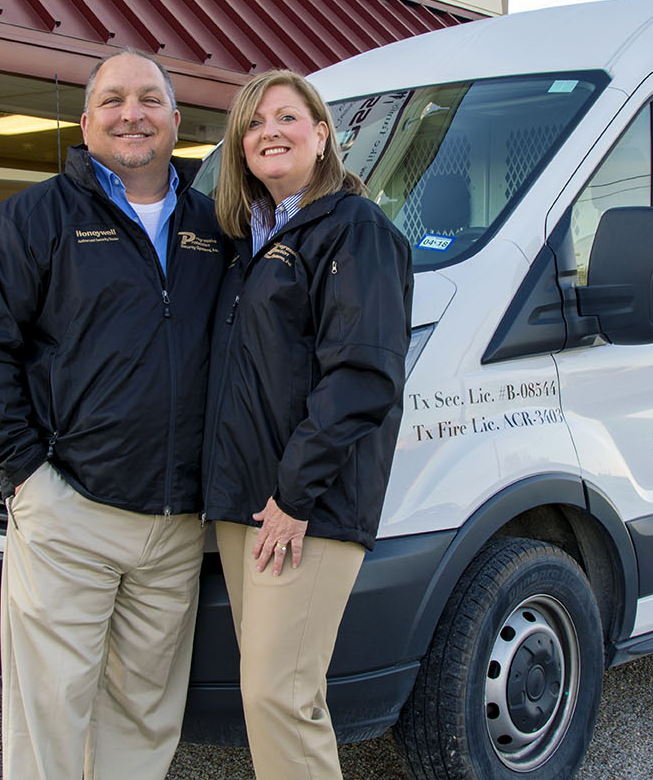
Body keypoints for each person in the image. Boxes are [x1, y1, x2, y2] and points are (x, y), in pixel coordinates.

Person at [0, 48, 227, 780]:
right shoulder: (32, 219)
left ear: (175, 119)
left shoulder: (215, 226)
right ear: (86, 119)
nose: (132, 114)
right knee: (50, 716)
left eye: (149, 100)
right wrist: (31, 476)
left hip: (176, 527)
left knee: (143, 717)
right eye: (114, 100)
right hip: (70, 511)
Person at [203, 69, 413, 779]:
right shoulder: (248, 240)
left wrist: (294, 497)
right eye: (254, 123)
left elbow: (362, 377)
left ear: (322, 137)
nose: (270, 132)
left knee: (279, 695)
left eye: (288, 118)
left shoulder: (355, 231)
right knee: (275, 695)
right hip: (245, 503)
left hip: (305, 506)